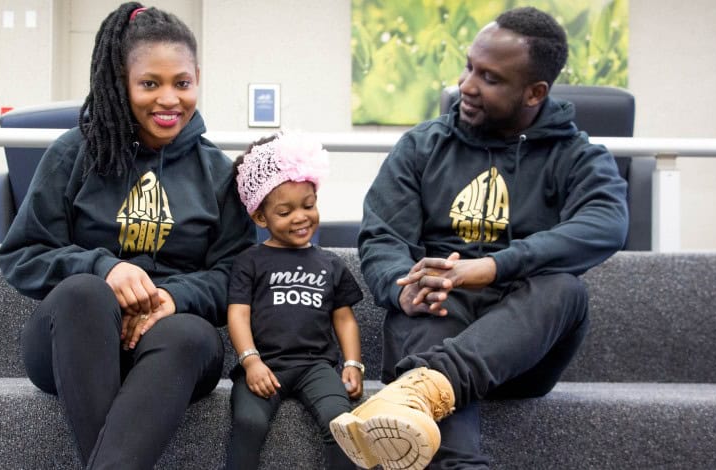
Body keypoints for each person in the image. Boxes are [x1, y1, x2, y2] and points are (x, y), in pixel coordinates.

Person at [330, 6, 629, 470]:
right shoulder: (422, 145)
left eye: (489, 78)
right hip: (437, 318)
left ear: (535, 92)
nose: (466, 85)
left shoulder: (575, 155)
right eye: (469, 67)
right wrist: (400, 286)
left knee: (564, 289)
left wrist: (492, 267)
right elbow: (382, 235)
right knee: (422, 304)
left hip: (523, 351)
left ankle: (420, 386)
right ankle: (438, 418)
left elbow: (607, 222)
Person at [0, 3, 255, 469]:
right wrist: (104, 268)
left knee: (189, 333)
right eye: (150, 84)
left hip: (171, 353)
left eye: (182, 83)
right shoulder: (73, 153)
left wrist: (174, 296)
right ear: (121, 81)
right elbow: (22, 254)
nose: (169, 99)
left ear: (198, 78)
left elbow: (237, 275)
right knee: (84, 292)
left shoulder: (217, 172)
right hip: (72, 343)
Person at [226, 133, 365, 469]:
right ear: (261, 217)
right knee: (248, 422)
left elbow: (344, 318)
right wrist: (250, 361)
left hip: (316, 366)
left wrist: (353, 363)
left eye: (308, 205)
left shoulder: (331, 263)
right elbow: (238, 314)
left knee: (341, 424)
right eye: (285, 211)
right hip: (264, 364)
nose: (301, 217)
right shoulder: (249, 261)